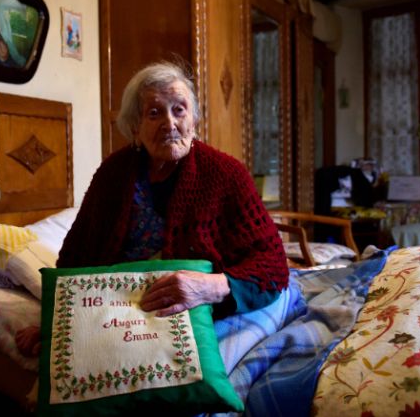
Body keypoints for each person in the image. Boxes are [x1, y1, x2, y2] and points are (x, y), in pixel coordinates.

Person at [16, 61, 289, 357]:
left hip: (201, 309)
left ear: (194, 119)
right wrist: (57, 324)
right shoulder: (112, 174)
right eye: (155, 112)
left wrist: (211, 287)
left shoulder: (226, 174)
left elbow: (272, 266)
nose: (170, 123)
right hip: (119, 312)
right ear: (135, 127)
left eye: (179, 109)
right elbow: (76, 258)